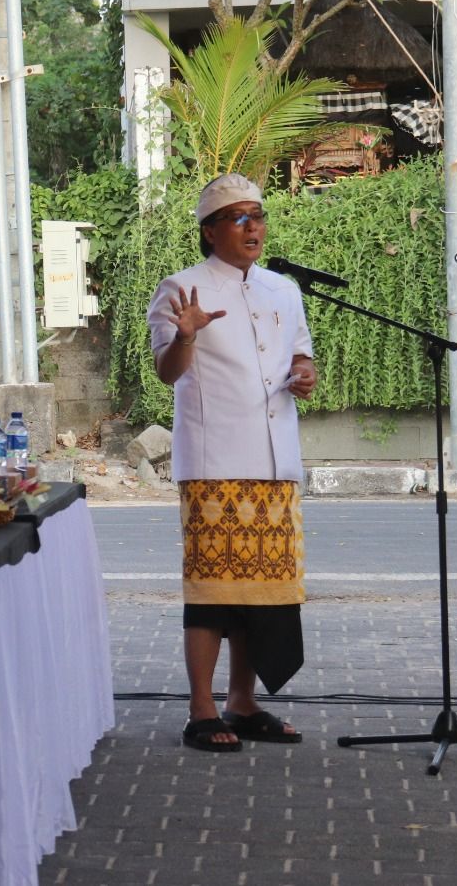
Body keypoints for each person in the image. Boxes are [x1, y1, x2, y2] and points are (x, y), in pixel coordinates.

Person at [147, 173, 317, 752]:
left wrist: (305, 376)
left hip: (276, 461)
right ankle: (202, 709)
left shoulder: (283, 291)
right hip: (216, 459)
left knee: (263, 594)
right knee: (215, 591)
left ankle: (242, 703)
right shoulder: (181, 288)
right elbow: (168, 372)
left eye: (259, 216)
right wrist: (187, 336)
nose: (253, 227)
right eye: (239, 217)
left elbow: (301, 359)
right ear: (211, 230)